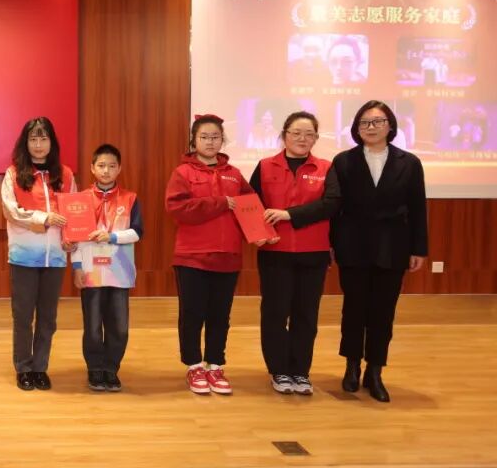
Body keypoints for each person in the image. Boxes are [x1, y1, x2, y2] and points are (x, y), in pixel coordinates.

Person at [331, 101, 428, 403]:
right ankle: (351, 367)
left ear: (390, 126)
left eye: (377, 121)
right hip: (352, 245)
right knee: (353, 309)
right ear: (356, 128)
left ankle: (375, 371)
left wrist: (419, 248)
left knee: (383, 312)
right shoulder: (343, 161)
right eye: (364, 122)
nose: (371, 127)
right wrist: (332, 244)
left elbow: (418, 208)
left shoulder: (409, 162)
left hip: (393, 245)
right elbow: (335, 208)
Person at [165, 114, 263, 395]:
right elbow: (177, 209)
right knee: (192, 313)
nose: (210, 142)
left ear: (223, 140)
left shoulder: (234, 174)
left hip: (228, 257)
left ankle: (215, 364)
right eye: (204, 137)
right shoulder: (183, 173)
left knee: (221, 315)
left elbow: (250, 207)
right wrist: (220, 203)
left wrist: (260, 232)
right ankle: (194, 365)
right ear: (194, 141)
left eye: (215, 137)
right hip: (192, 256)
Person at [249, 112, 340, 396]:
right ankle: (278, 369)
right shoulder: (265, 166)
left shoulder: (326, 167)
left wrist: (289, 214)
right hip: (275, 252)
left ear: (316, 138)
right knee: (275, 314)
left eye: (309, 134)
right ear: (284, 135)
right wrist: (257, 233)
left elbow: (332, 204)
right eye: (296, 133)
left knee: (306, 315)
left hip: (313, 253)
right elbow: (251, 204)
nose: (303, 139)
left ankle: (300, 371)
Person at [1, 116, 77, 391]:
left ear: (52, 142)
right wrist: (43, 218)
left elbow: (74, 211)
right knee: (23, 317)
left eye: (43, 138)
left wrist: (71, 239)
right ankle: (23, 367)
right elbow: (11, 211)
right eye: (33, 139)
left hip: (55, 258)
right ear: (25, 143)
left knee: (48, 318)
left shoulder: (65, 175)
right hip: (23, 256)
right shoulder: (13, 174)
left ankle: (40, 367)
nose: (38, 144)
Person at [70, 144, 143, 392]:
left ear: (119, 169)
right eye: (101, 165)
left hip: (119, 272)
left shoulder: (130, 198)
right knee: (92, 326)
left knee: (119, 326)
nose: (106, 171)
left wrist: (112, 236)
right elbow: (76, 238)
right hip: (90, 271)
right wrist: (77, 267)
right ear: (92, 168)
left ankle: (111, 369)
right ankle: (95, 369)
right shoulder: (80, 200)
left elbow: (137, 232)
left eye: (112, 166)